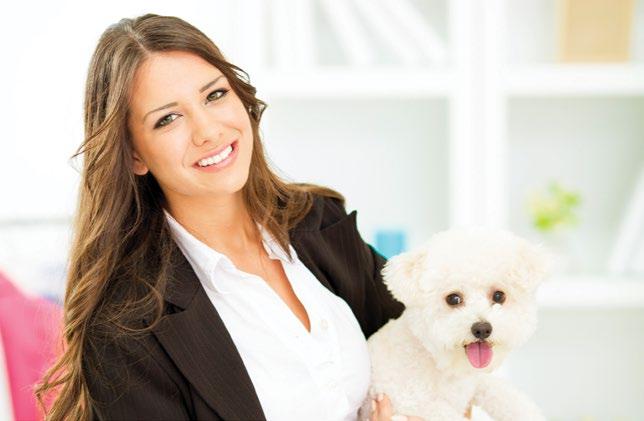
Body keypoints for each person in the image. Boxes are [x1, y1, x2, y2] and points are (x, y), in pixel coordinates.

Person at [34, 13, 423, 421]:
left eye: (215, 95)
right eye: (168, 119)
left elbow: (434, 342)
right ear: (134, 154)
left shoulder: (318, 220)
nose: (208, 130)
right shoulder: (127, 327)